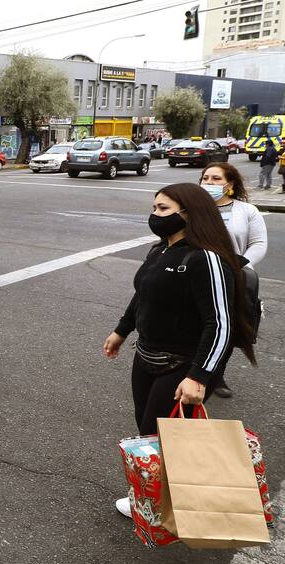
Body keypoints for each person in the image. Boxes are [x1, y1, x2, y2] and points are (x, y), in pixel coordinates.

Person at [103, 183, 256, 518]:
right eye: (154, 208)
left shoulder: (206, 259)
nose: (154, 215)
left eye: (163, 209)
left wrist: (199, 376)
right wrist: (121, 330)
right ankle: (158, 497)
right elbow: (143, 294)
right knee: (148, 431)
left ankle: (171, 504)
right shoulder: (159, 251)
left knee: (164, 436)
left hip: (183, 365)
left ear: (189, 214)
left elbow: (220, 325)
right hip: (147, 356)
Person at [199, 162, 268, 398]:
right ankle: (193, 371)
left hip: (233, 280)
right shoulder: (193, 208)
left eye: (216, 179)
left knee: (225, 329)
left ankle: (215, 375)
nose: (209, 183)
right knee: (195, 326)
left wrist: (240, 266)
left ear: (230, 184)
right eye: (206, 178)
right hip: (198, 277)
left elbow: (258, 244)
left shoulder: (247, 211)